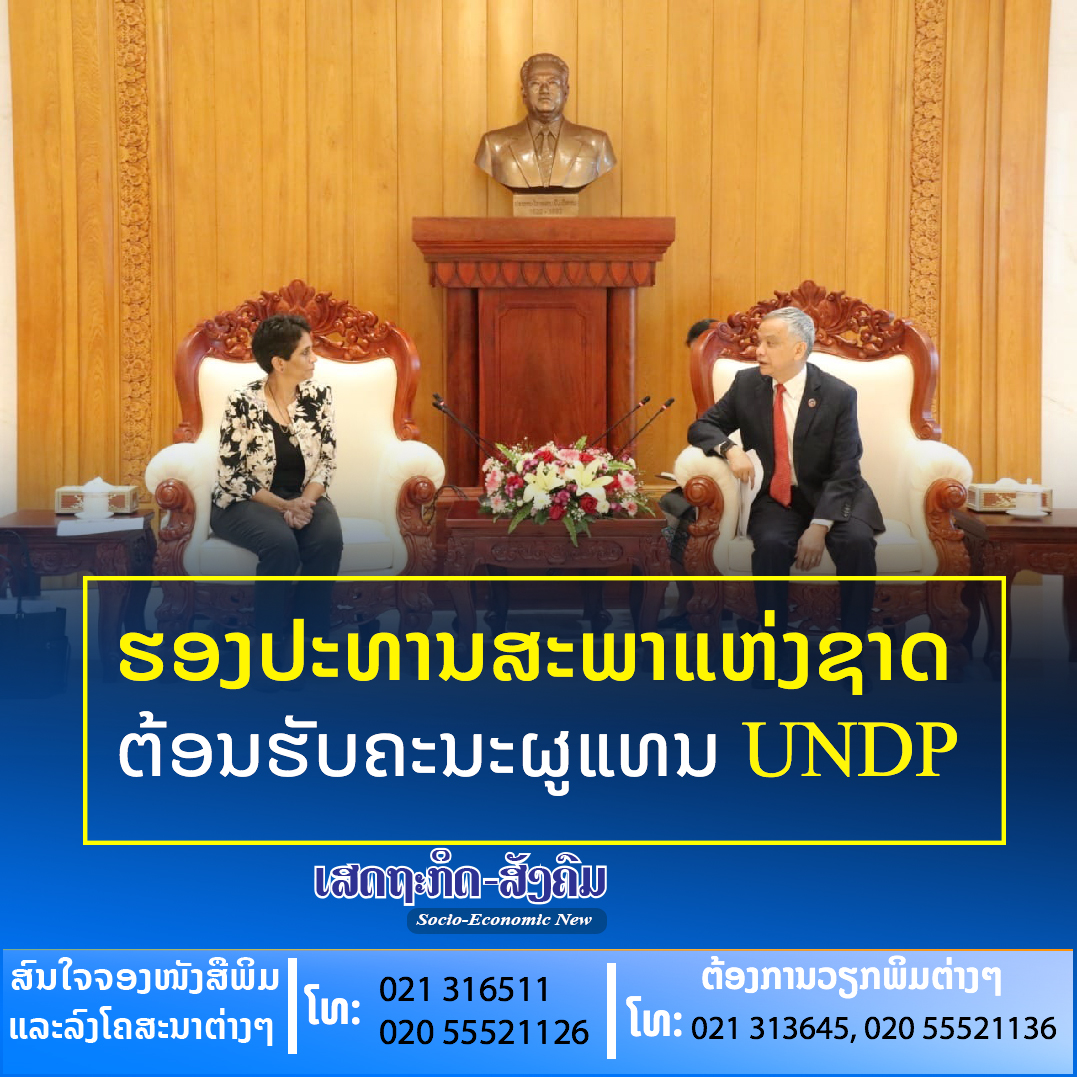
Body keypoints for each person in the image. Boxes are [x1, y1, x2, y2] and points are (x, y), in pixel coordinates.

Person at [687, 305, 882, 641]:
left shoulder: (837, 395)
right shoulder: (747, 384)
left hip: (835, 493)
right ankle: (771, 641)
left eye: (770, 343)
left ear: (798, 349)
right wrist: (729, 449)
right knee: (771, 545)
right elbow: (702, 427)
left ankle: (854, 642)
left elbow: (846, 467)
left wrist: (819, 527)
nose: (759, 351)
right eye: (758, 342)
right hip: (778, 497)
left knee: (857, 544)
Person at [210, 313, 343, 643]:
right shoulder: (242, 402)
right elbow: (231, 475)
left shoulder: (319, 397)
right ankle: (269, 651)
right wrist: (284, 506)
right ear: (279, 363)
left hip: (303, 496)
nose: (314, 359)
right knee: (280, 544)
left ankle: (309, 643)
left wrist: (304, 504)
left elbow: (326, 462)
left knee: (327, 539)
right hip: (245, 501)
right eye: (305, 352)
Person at [474, 53, 616, 191]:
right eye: (535, 83)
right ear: (524, 92)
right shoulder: (493, 146)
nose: (544, 90)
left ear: (566, 92)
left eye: (553, 83)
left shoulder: (597, 144)